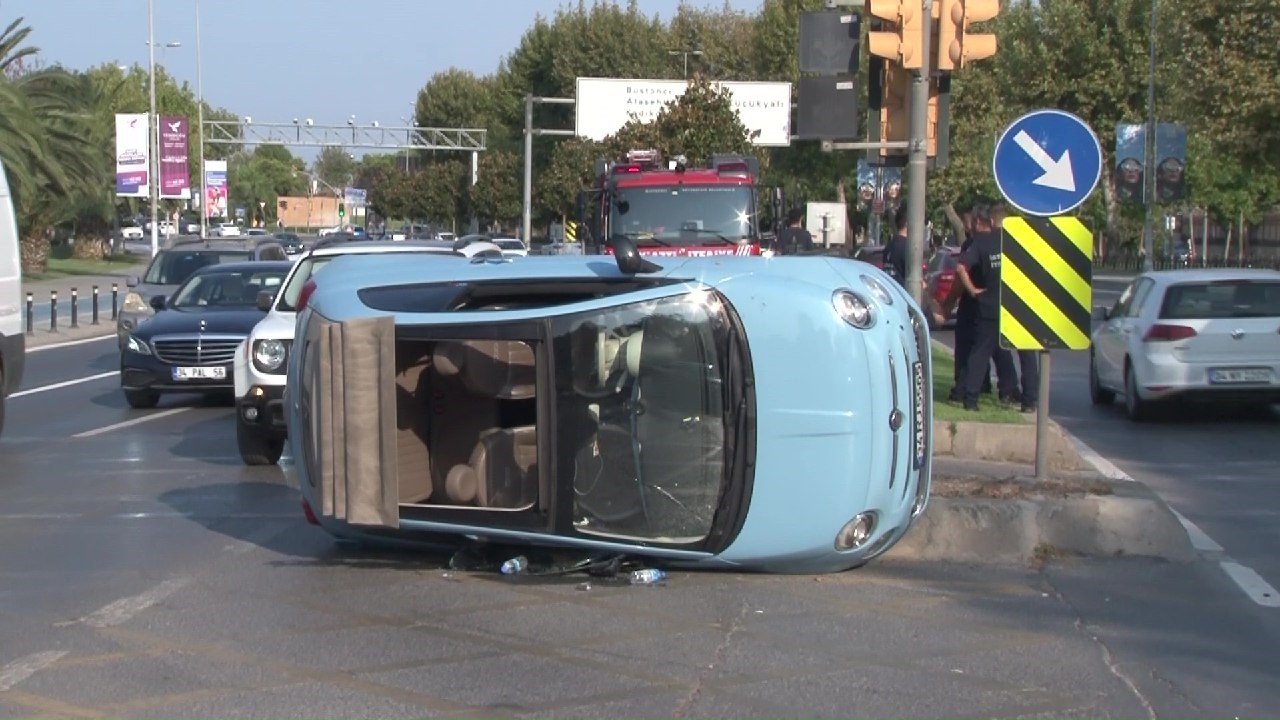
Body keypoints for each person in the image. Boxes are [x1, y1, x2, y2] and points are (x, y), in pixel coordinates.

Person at [953, 203, 1016, 410]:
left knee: (979, 354)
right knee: (1004, 351)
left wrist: (972, 290)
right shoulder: (1007, 242)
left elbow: (961, 268)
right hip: (1007, 306)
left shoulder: (978, 244)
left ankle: (970, 399)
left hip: (985, 305)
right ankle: (1011, 392)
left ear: (980, 222)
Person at [990, 203, 1039, 413]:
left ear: (993, 221)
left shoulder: (994, 242)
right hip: (1026, 302)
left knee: (998, 346)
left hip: (1003, 303)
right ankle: (1030, 399)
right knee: (1027, 355)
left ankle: (1009, 389)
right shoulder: (1023, 241)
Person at [884, 205, 909, 287]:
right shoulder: (907, 247)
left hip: (891, 291)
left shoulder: (890, 245)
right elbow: (913, 278)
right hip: (903, 294)